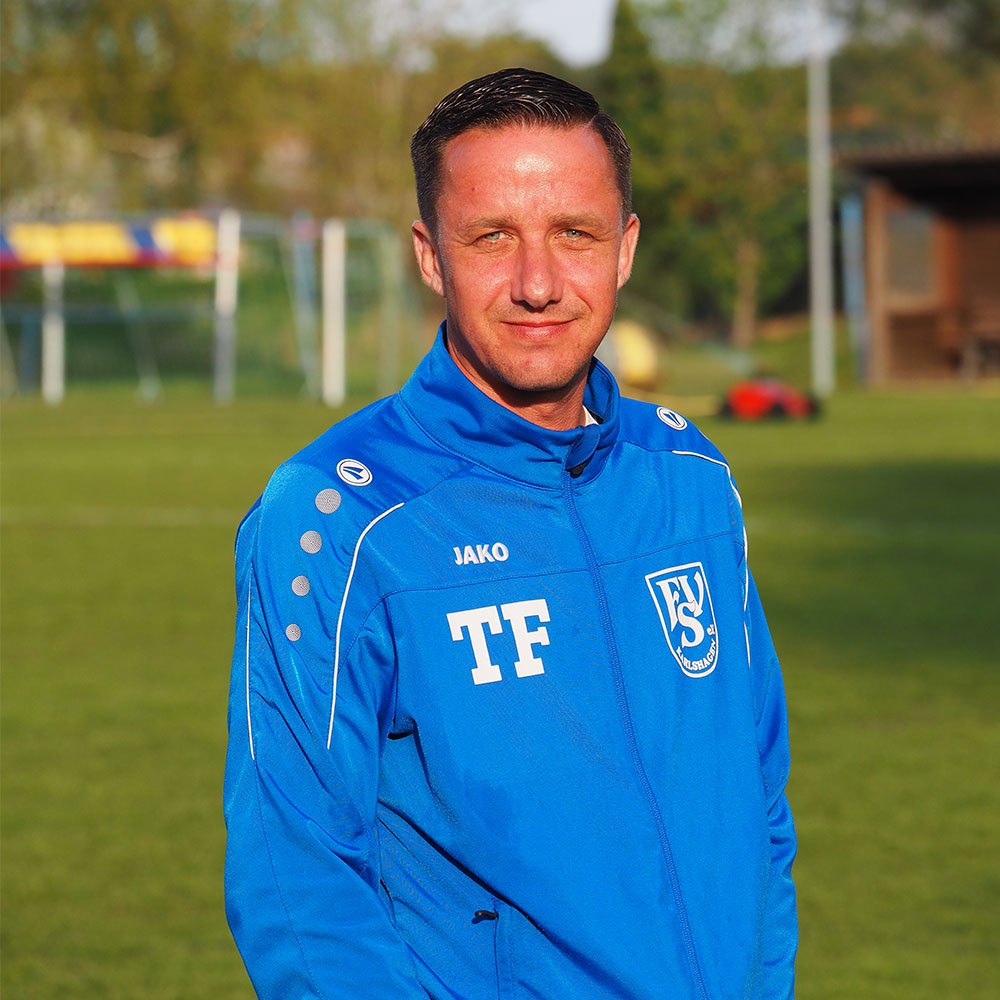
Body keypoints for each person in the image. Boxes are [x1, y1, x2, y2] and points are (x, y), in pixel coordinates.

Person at [224, 68, 797, 1000]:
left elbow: (759, 793)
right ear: (430, 256)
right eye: (492, 237)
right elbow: (297, 875)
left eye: (575, 234)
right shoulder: (336, 517)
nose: (538, 284)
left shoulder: (689, 477)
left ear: (625, 248)